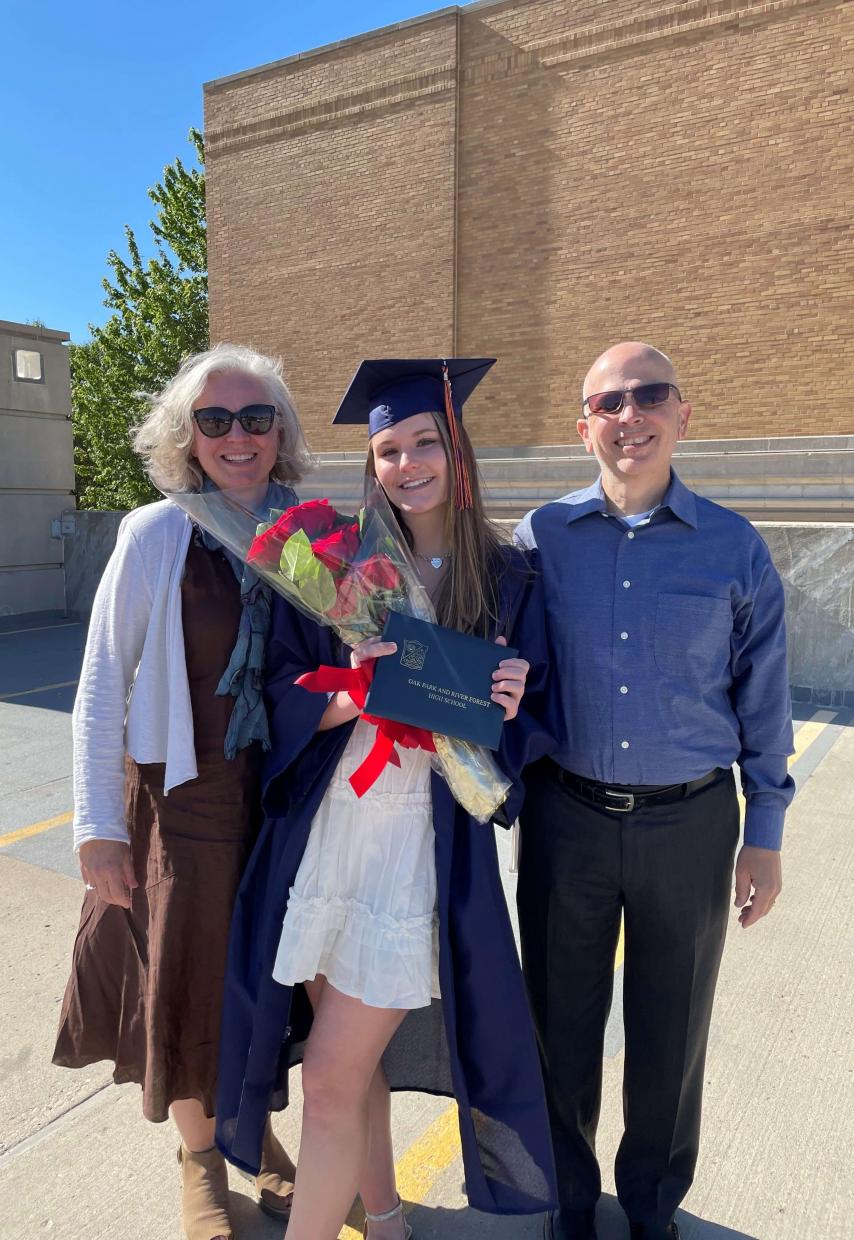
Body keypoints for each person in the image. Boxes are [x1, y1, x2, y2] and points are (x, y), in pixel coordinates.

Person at [215, 358, 558, 1240]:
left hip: (420, 844)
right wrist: (347, 692)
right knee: (348, 1069)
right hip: (331, 832)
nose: (406, 465)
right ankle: (388, 1217)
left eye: (423, 444)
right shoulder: (336, 557)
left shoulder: (510, 575)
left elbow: (535, 730)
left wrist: (512, 702)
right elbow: (284, 684)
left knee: (327, 1078)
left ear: (457, 447)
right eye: (387, 450)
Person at [513, 341, 795, 1240]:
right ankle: (568, 1201)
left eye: (649, 396)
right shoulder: (539, 539)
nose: (628, 415)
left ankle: (649, 1208)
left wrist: (767, 832)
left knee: (671, 1037)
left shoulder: (733, 547)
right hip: (568, 818)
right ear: (583, 423)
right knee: (560, 1025)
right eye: (609, 402)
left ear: (684, 414)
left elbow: (765, 697)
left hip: (693, 823)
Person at [53, 343, 312, 1240]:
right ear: (186, 437)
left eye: (255, 417)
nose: (236, 436)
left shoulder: (314, 534)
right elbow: (99, 681)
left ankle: (265, 1145)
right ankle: (203, 1163)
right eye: (214, 420)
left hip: (282, 801)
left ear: (280, 433)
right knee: (191, 986)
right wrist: (97, 829)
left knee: (272, 989)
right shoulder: (158, 532)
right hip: (182, 801)